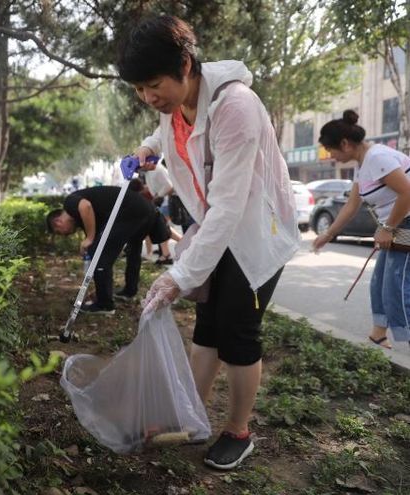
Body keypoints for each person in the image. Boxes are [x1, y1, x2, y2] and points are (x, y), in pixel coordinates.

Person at [117, 15, 300, 469]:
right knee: (207, 327)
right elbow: (165, 135)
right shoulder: (174, 104)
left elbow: (230, 208)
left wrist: (179, 275)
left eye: (153, 84)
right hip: (216, 231)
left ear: (185, 64)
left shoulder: (235, 106)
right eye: (139, 89)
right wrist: (145, 151)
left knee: (238, 334)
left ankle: (238, 431)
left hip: (254, 233)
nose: (148, 97)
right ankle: (189, 415)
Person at [312, 110, 410, 350]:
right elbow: (352, 205)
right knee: (379, 283)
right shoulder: (363, 162)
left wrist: (387, 227)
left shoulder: (377, 158)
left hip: (405, 224)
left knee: (396, 287)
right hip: (397, 225)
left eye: (330, 150)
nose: (331, 156)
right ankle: (378, 335)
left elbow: (408, 191)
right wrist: (328, 234)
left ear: (345, 144)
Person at [46, 185, 171, 314]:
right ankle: (129, 291)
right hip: (143, 209)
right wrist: (90, 242)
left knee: (99, 255)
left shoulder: (69, 203)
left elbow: (85, 206)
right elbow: (96, 234)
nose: (65, 235)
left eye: (60, 232)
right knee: (133, 249)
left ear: (58, 222)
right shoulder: (81, 218)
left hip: (130, 210)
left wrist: (89, 238)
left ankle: (104, 304)